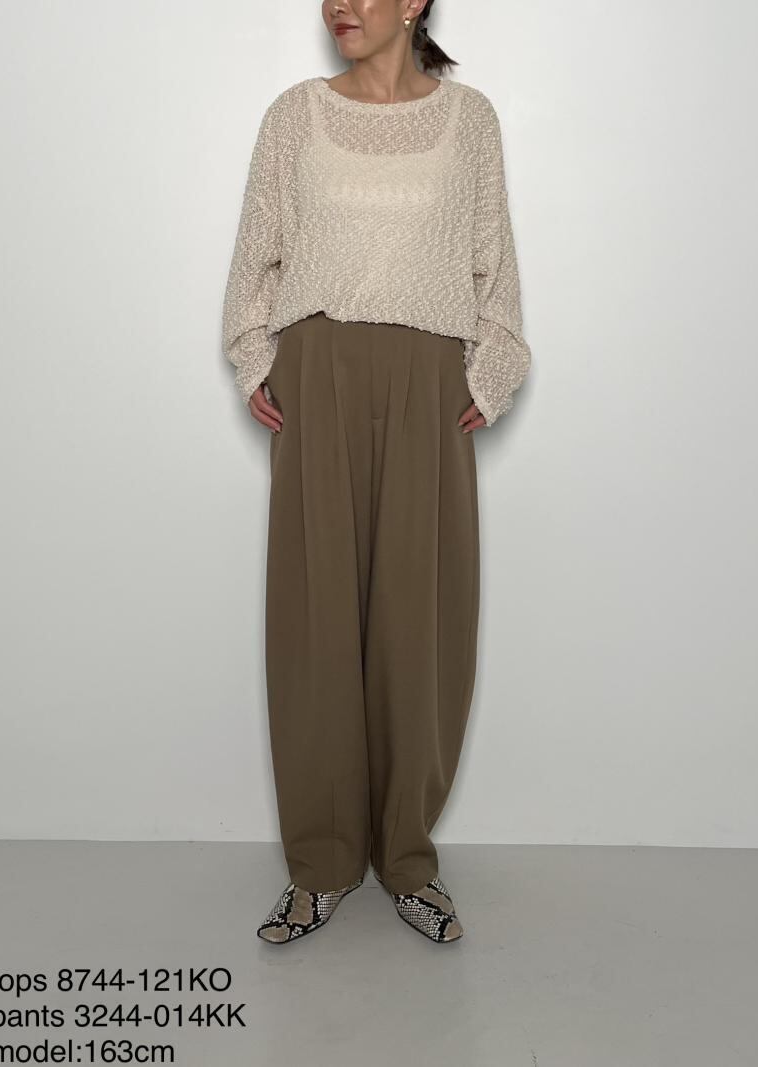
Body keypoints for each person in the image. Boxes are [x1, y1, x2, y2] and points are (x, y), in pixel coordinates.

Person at [221, 0, 532, 945]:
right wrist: (254, 354)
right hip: (316, 371)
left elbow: (493, 262)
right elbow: (258, 250)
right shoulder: (295, 114)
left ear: (414, 2)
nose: (341, 6)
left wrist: (493, 367)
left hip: (430, 378)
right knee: (315, 615)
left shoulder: (470, 120)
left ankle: (407, 858)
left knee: (419, 615)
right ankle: (321, 865)